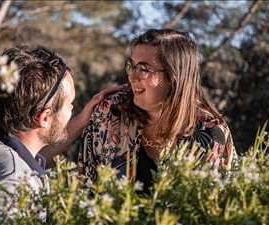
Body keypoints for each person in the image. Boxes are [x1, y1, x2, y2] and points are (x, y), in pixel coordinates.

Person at [0, 46, 120, 218]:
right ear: (44, 118)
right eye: (70, 104)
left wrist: (83, 119)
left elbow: (34, 147)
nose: (72, 108)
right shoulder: (15, 184)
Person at [77, 29, 236, 192]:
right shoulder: (109, 113)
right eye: (132, 66)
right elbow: (83, 188)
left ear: (174, 78)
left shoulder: (210, 133)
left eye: (144, 69)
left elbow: (220, 204)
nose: (132, 77)